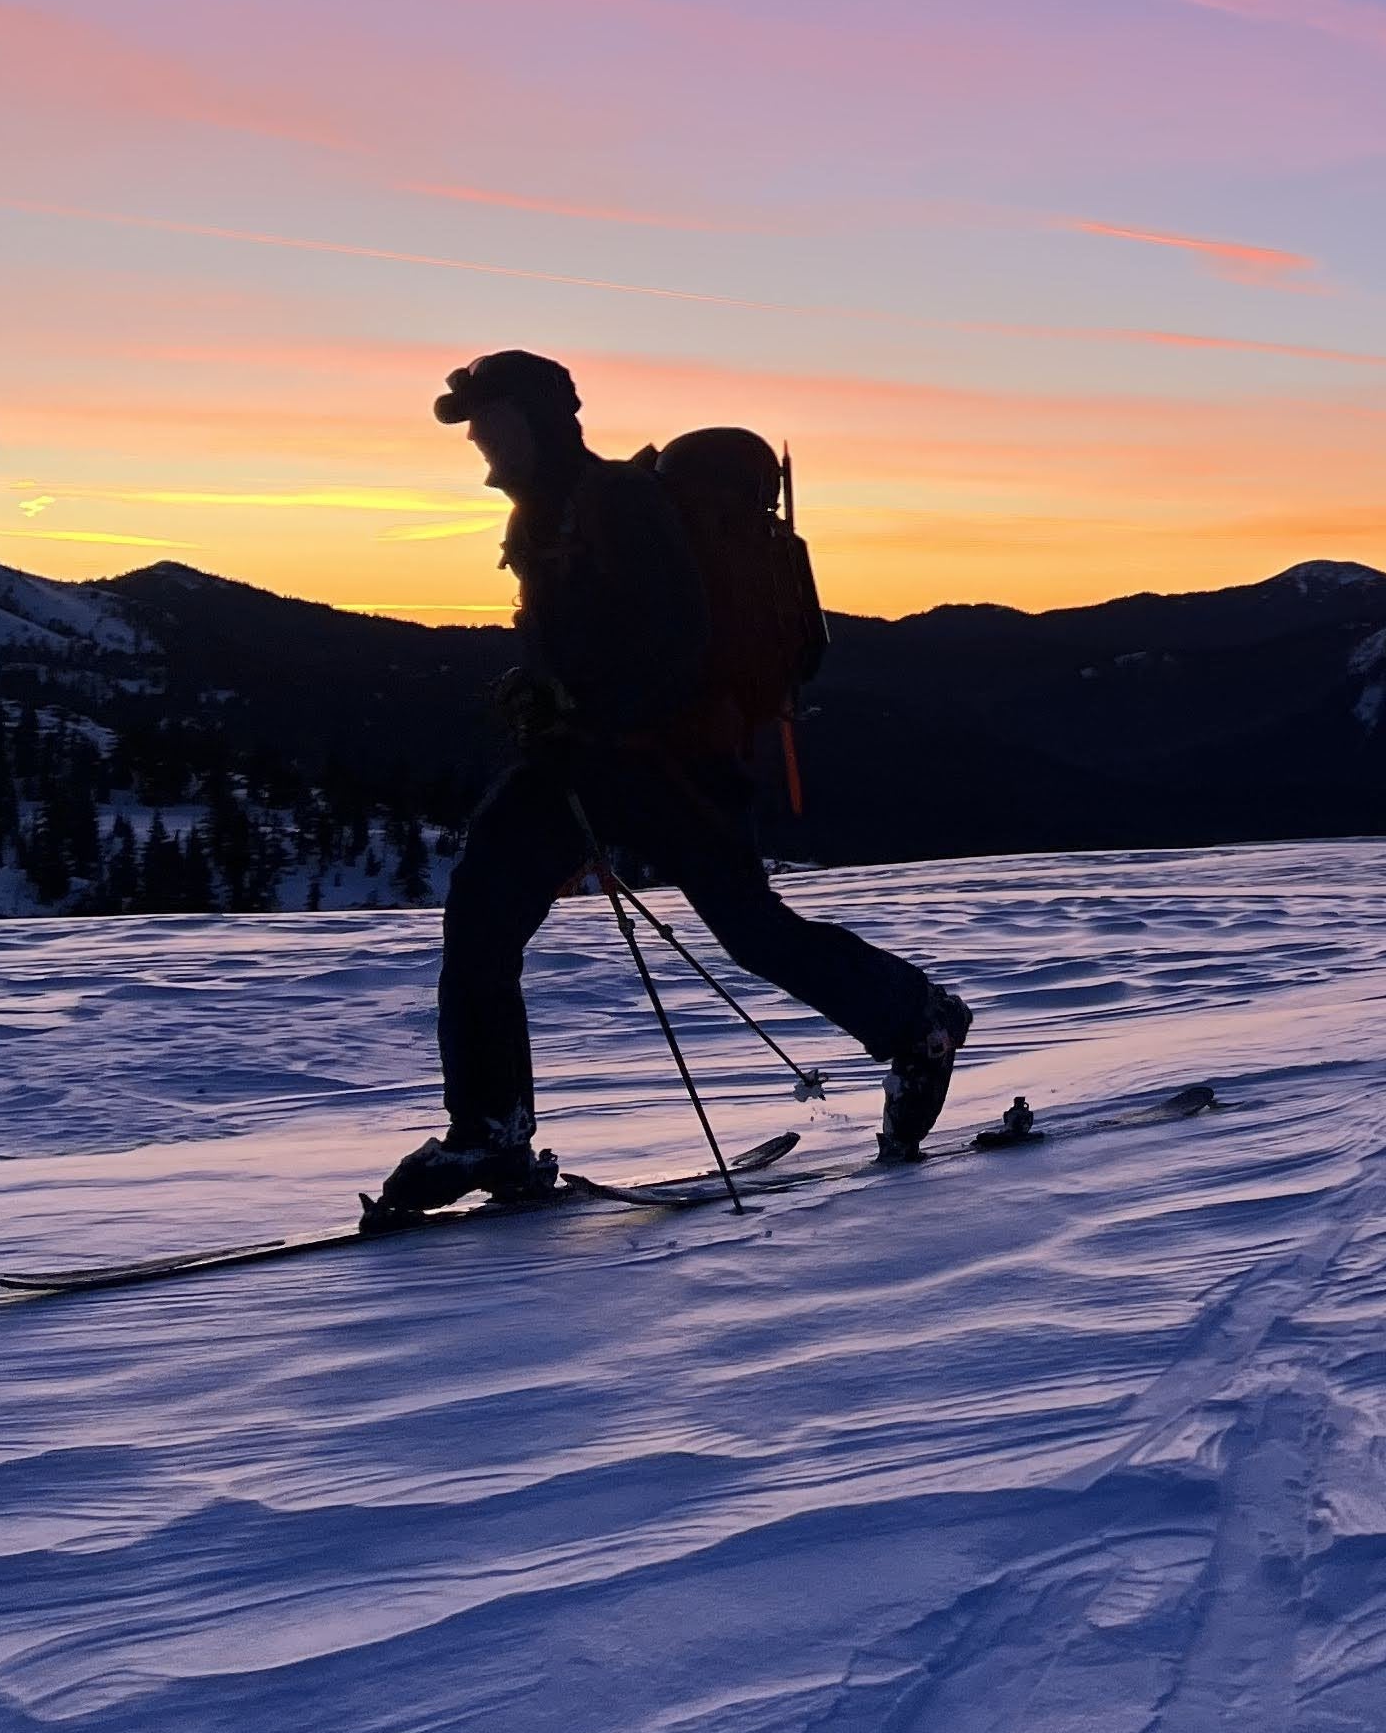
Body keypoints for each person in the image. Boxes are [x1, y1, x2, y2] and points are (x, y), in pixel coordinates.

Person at [370, 348, 969, 1217]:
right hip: (581, 763)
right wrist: (541, 695)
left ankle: (917, 1020)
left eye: (493, 425)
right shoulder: (541, 518)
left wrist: (575, 702)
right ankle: (490, 1130)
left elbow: (679, 641)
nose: (482, 446)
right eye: (477, 431)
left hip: (671, 764)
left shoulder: (617, 502)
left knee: (753, 933)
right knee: (481, 914)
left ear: (539, 421)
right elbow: (584, 641)